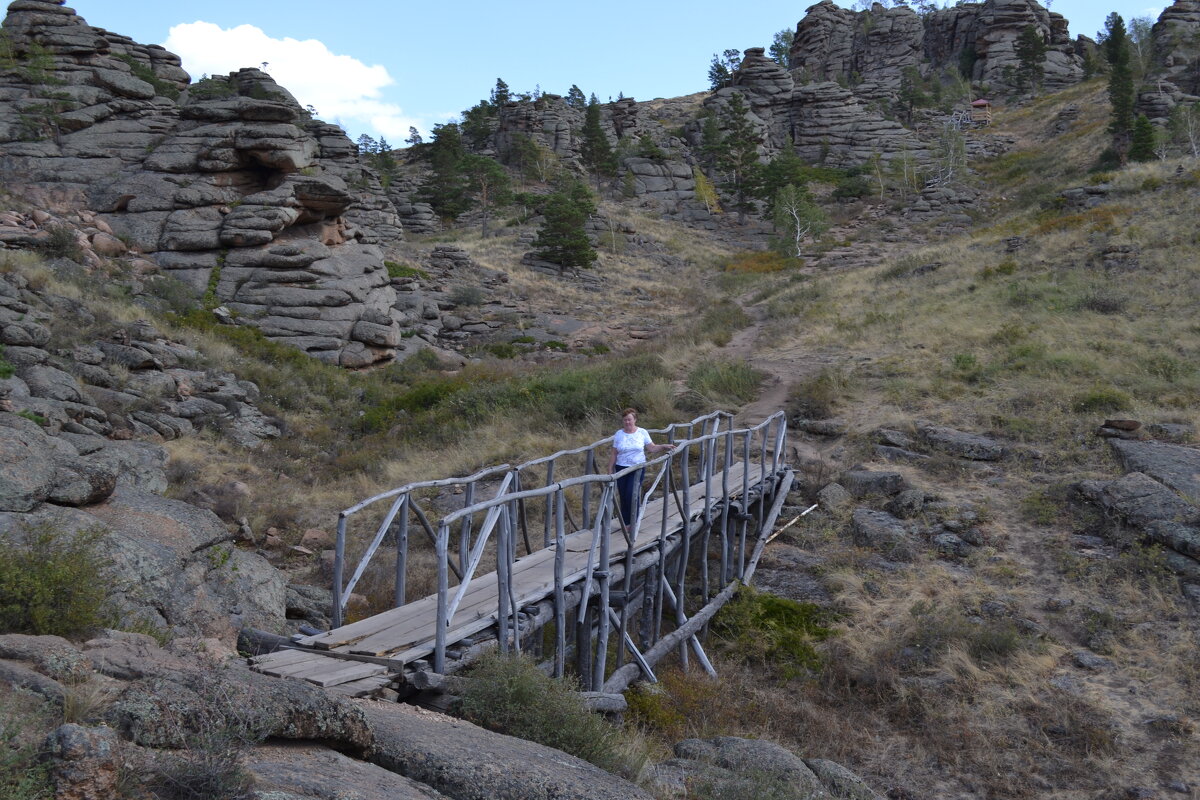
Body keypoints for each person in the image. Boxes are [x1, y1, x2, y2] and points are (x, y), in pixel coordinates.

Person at [608, 407, 675, 529]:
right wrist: (610, 470)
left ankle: (634, 522)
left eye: (629, 419)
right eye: (625, 420)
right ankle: (626, 523)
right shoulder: (619, 434)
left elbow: (652, 448)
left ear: (635, 420)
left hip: (637, 468)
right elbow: (614, 453)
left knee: (631, 494)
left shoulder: (642, 432)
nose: (627, 422)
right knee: (623, 495)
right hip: (621, 467)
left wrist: (663, 446)